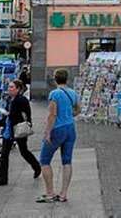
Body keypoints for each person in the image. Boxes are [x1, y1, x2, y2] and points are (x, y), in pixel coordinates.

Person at [36, 69, 80, 203]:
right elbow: (78, 109)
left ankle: (50, 192)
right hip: (70, 128)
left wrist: (48, 132)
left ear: (55, 79)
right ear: (67, 79)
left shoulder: (54, 94)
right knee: (67, 161)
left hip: (58, 129)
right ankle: (64, 193)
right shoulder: (73, 92)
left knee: (44, 160)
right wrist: (69, 116)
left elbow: (52, 115)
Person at [0, 79, 42, 187]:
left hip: (19, 128)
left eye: (11, 87)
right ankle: (2, 179)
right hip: (9, 130)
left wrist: (12, 115)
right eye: (9, 87)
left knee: (24, 151)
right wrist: (0, 123)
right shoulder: (9, 100)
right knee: (4, 155)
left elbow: (26, 115)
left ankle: (36, 166)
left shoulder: (22, 100)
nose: (9, 89)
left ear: (18, 89)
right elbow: (6, 116)